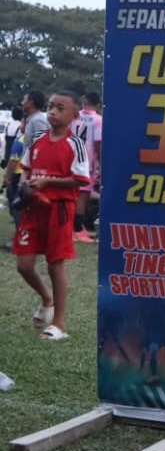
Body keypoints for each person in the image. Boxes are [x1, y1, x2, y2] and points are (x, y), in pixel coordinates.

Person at [12, 90, 90, 341]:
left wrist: (47, 182)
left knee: (55, 264)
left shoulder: (75, 143)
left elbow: (80, 180)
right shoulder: (37, 139)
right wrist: (25, 189)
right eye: (50, 106)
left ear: (74, 115)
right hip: (33, 209)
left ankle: (58, 323)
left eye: (60, 108)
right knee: (24, 265)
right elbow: (26, 170)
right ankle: (47, 299)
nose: (53, 112)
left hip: (58, 209)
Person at [71, 91, 102, 243]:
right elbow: (97, 142)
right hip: (86, 161)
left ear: (84, 101)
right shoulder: (98, 119)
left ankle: (72, 228)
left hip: (70, 158)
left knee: (70, 194)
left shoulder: (74, 116)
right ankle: (77, 230)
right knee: (82, 196)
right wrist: (100, 161)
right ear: (98, 104)